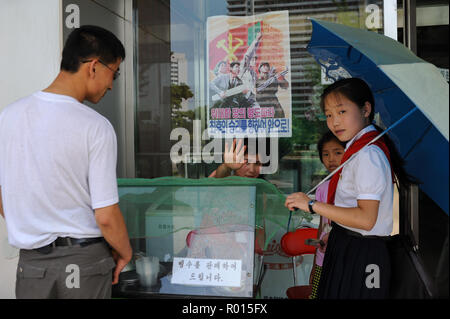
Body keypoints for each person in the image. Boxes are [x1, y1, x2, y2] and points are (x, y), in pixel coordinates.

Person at [0, 25, 132, 299]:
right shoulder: (96, 126)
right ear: (94, 66)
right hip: (84, 264)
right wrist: (125, 251)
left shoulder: (8, 117)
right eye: (114, 73)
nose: (111, 84)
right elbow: (106, 216)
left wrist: (32, 221)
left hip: (32, 265)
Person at [285, 77, 414, 299]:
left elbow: (365, 220)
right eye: (328, 115)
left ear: (366, 109)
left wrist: (313, 205)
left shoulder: (368, 155)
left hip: (361, 253)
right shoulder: (357, 150)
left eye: (342, 111)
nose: (335, 122)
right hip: (348, 246)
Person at [308, 131, 345, 299]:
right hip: (322, 258)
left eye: (338, 152)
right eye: (326, 154)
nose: (331, 159)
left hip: (344, 257)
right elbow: (322, 225)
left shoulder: (352, 187)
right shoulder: (323, 188)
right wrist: (315, 265)